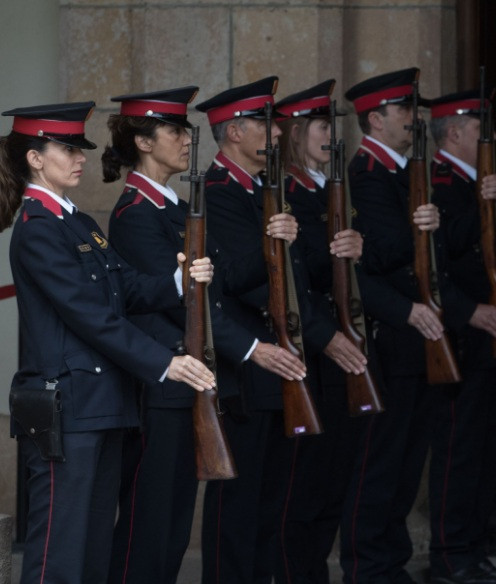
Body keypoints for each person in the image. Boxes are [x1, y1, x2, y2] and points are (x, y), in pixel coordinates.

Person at [0, 101, 216, 584]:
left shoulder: (75, 222)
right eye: (66, 148)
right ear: (35, 158)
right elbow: (90, 317)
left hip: (101, 404)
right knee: (60, 551)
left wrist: (179, 281)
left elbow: (126, 288)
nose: (79, 157)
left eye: (80, 147)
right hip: (69, 406)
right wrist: (165, 363)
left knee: (94, 549)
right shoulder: (37, 229)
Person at [102, 86, 307, 584]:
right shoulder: (135, 214)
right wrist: (252, 349)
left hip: (190, 383)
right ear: (145, 142)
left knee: (172, 524)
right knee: (149, 524)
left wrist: (269, 244)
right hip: (163, 385)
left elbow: (224, 281)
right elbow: (175, 300)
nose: (187, 139)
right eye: (175, 130)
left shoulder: (173, 207)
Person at [196, 76, 344, 584]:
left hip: (283, 360)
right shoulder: (217, 193)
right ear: (234, 130)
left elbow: (297, 277)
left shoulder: (263, 189)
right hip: (249, 367)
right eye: (263, 123)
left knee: (274, 501)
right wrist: (268, 240)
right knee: (238, 506)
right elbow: (236, 279)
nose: (277, 133)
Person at [338, 67, 443, 584]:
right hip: (391, 334)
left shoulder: (404, 174)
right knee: (378, 463)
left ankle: (389, 561)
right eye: (404, 110)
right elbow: (370, 263)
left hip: (415, 337)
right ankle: (368, 565)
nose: (413, 118)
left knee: (405, 463)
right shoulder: (367, 176)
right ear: (376, 119)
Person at [273, 78, 371, 584]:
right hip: (312, 352)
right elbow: (295, 277)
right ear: (295, 133)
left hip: (340, 351)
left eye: (332, 125)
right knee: (305, 486)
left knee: (334, 479)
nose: (330, 135)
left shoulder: (328, 189)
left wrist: (354, 247)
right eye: (319, 126)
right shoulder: (289, 193)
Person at [426, 90, 496, 584]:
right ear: (456, 133)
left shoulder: (477, 183)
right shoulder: (439, 181)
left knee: (485, 449)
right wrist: (469, 314)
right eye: (481, 130)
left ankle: (473, 548)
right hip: (462, 336)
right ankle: (448, 554)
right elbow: (439, 261)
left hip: (495, 336)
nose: (492, 139)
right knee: (458, 450)